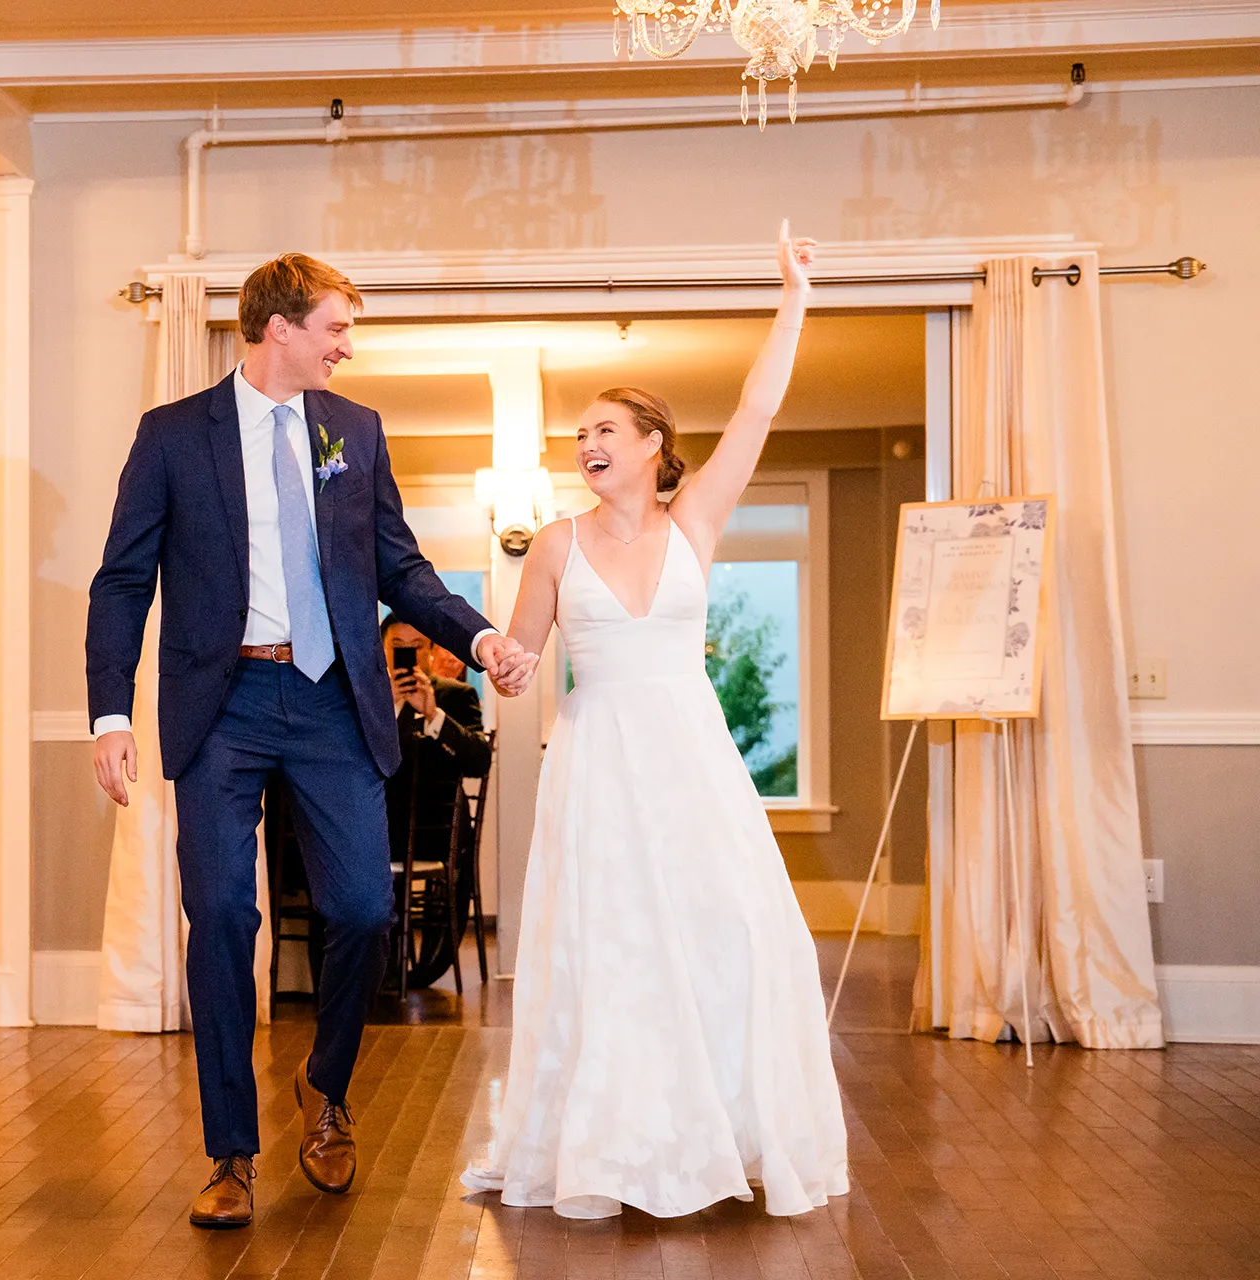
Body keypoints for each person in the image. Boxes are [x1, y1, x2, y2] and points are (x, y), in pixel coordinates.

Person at [87, 252, 538, 1229]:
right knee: (220, 915)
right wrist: (110, 714)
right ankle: (230, 1152)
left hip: (334, 698)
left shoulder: (354, 432)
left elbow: (401, 568)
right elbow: (122, 581)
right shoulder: (172, 437)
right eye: (334, 326)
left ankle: (325, 1088)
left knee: (364, 910)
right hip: (223, 701)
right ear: (278, 327)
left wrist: (482, 633)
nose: (346, 344)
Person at [461, 223, 847, 1220]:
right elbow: (520, 663)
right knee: (611, 944)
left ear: (652, 449)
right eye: (578, 433)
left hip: (691, 758)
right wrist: (502, 664)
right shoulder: (553, 542)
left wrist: (793, 298)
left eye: (604, 431)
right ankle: (617, 1141)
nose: (585, 444)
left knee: (726, 932)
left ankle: (717, 1125)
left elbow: (760, 406)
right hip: (595, 761)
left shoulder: (696, 523)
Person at [383, 615, 494, 988]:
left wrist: (434, 716)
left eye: (417, 648)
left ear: (430, 653)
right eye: (398, 649)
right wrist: (392, 709)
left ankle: (427, 967)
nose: (408, 656)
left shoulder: (457, 696)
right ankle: (373, 969)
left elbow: (479, 761)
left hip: (438, 834)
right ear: (381, 653)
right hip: (378, 831)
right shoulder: (368, 701)